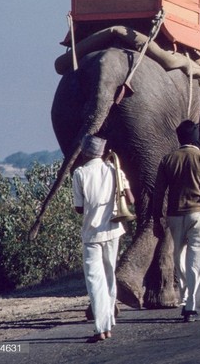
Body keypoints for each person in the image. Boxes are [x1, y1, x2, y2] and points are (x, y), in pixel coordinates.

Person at [153, 120, 200, 322]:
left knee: (180, 259)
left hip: (174, 217)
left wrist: (156, 218)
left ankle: (186, 297)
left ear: (179, 138)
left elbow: (158, 192)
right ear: (196, 138)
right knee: (197, 260)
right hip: (198, 215)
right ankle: (191, 306)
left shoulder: (168, 160)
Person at [72, 134, 129, 343]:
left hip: (91, 233)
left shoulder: (80, 173)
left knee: (95, 281)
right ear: (103, 151)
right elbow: (129, 198)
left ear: (85, 152)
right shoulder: (114, 169)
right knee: (109, 275)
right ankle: (109, 320)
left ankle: (101, 328)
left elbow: (79, 208)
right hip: (114, 230)